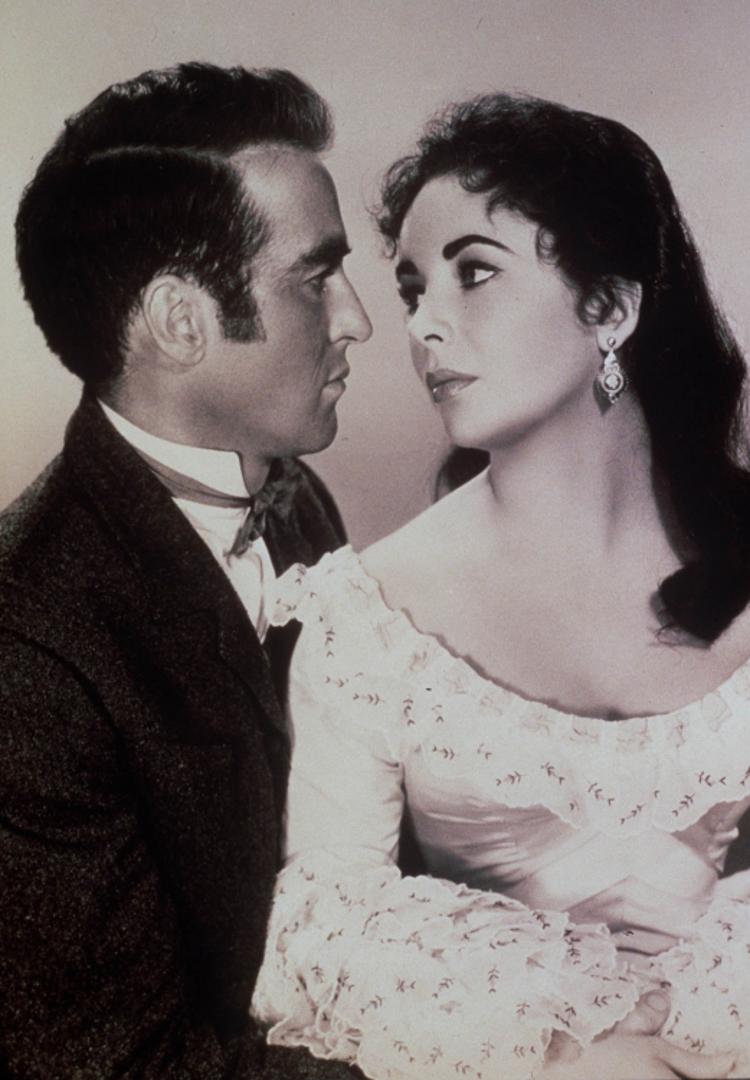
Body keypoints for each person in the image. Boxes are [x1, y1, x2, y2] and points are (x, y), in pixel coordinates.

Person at [252, 93, 750, 1079]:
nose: (423, 328)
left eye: (473, 273)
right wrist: (574, 1050)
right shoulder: (366, 618)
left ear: (610, 309)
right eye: (412, 291)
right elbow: (327, 923)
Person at [0, 62, 371, 1077]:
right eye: (315, 277)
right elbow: (123, 1067)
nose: (357, 319)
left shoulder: (295, 497)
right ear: (178, 320)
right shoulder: (25, 649)